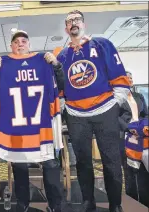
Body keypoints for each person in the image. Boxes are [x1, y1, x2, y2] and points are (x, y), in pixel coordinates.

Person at [44, 10, 131, 212]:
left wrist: (115, 102)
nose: (73, 23)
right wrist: (65, 107)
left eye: (77, 19)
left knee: (111, 161)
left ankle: (115, 204)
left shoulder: (102, 44)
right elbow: (60, 86)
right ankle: (88, 202)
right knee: (82, 163)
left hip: (105, 110)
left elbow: (119, 75)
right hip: (76, 115)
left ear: (84, 23)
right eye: (69, 21)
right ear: (66, 28)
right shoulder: (63, 55)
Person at [0, 30, 63, 212]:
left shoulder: (43, 62)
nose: (20, 44)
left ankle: (55, 206)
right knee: (19, 166)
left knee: (50, 165)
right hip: (17, 128)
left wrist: (55, 65)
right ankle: (23, 204)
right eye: (16, 42)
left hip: (41, 127)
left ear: (29, 44)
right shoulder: (3, 64)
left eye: (24, 41)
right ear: (11, 46)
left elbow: (61, 86)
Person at [119, 71, 149, 207]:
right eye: (127, 78)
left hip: (141, 136)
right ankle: (131, 202)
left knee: (143, 169)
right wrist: (129, 128)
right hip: (126, 136)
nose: (130, 80)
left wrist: (144, 127)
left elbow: (145, 114)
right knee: (129, 170)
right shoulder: (117, 98)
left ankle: (145, 201)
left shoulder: (138, 96)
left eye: (131, 78)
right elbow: (116, 117)